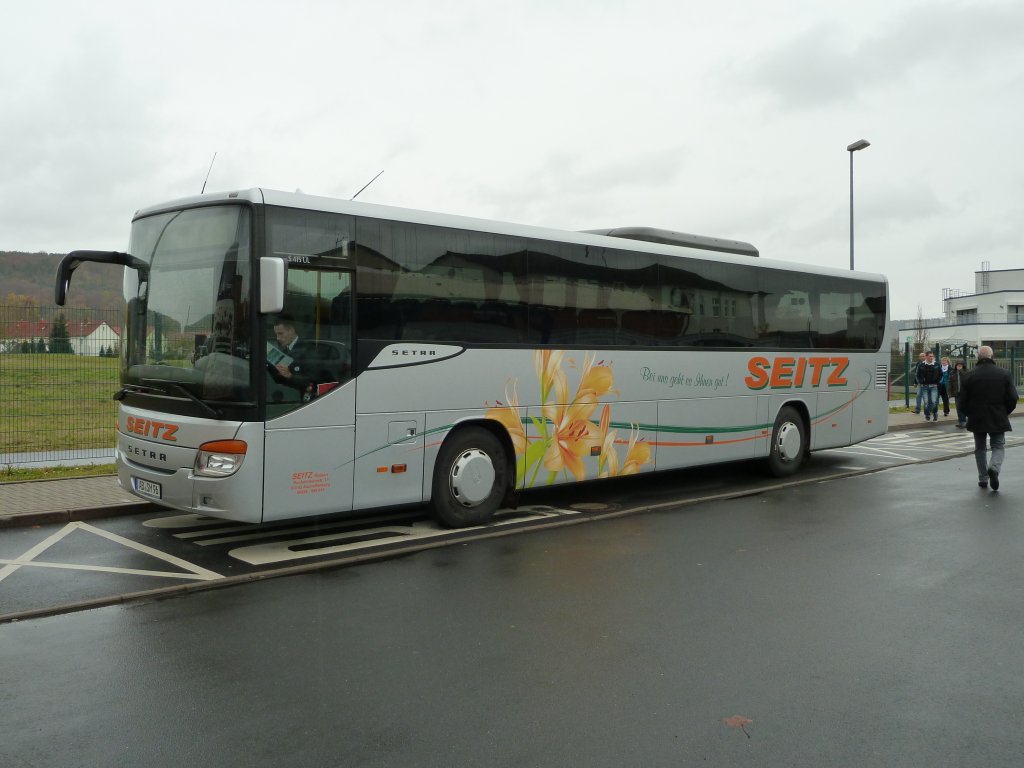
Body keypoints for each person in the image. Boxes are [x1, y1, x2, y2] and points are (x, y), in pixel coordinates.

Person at [960, 346, 1018, 490]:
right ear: (992, 357)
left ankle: (983, 478)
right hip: (998, 416)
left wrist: (970, 413)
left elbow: (961, 402)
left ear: (978, 358)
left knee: (979, 448)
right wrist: (1004, 412)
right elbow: (1012, 398)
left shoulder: (968, 375)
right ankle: (994, 468)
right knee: (998, 446)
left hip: (976, 417)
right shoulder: (1004, 374)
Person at [916, 351, 942, 421]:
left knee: (934, 401)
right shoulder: (921, 365)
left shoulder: (937, 364)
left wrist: (938, 382)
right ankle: (927, 414)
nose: (931, 357)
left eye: (932, 356)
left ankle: (935, 413)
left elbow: (941, 374)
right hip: (924, 386)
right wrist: (920, 382)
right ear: (926, 357)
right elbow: (917, 375)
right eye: (930, 356)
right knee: (926, 402)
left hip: (934, 386)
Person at [948, 359, 968, 428]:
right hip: (957, 393)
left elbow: (967, 379)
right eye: (958, 365)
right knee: (958, 408)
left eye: (960, 365)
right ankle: (961, 421)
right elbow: (950, 383)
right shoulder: (952, 373)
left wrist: (961, 371)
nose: (959, 366)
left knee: (963, 407)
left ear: (963, 366)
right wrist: (949, 393)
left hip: (965, 393)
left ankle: (964, 422)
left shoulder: (966, 372)